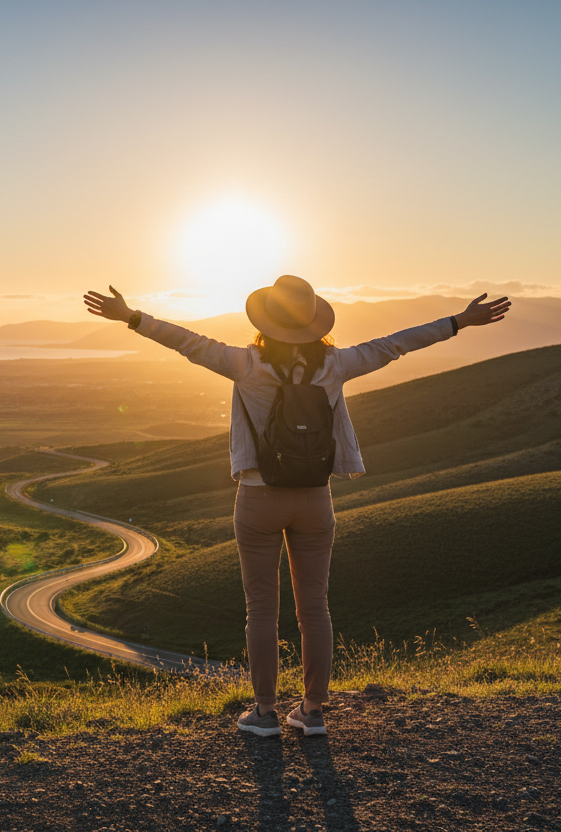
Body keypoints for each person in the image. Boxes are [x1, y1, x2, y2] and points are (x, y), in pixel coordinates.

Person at [83, 275, 510, 737]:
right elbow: (395, 345)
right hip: (314, 499)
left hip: (258, 498)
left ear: (265, 323)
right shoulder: (336, 364)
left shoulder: (245, 364)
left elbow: (187, 342)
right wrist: (458, 321)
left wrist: (131, 317)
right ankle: (312, 711)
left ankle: (265, 712)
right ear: (313, 323)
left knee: (261, 611)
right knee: (315, 608)